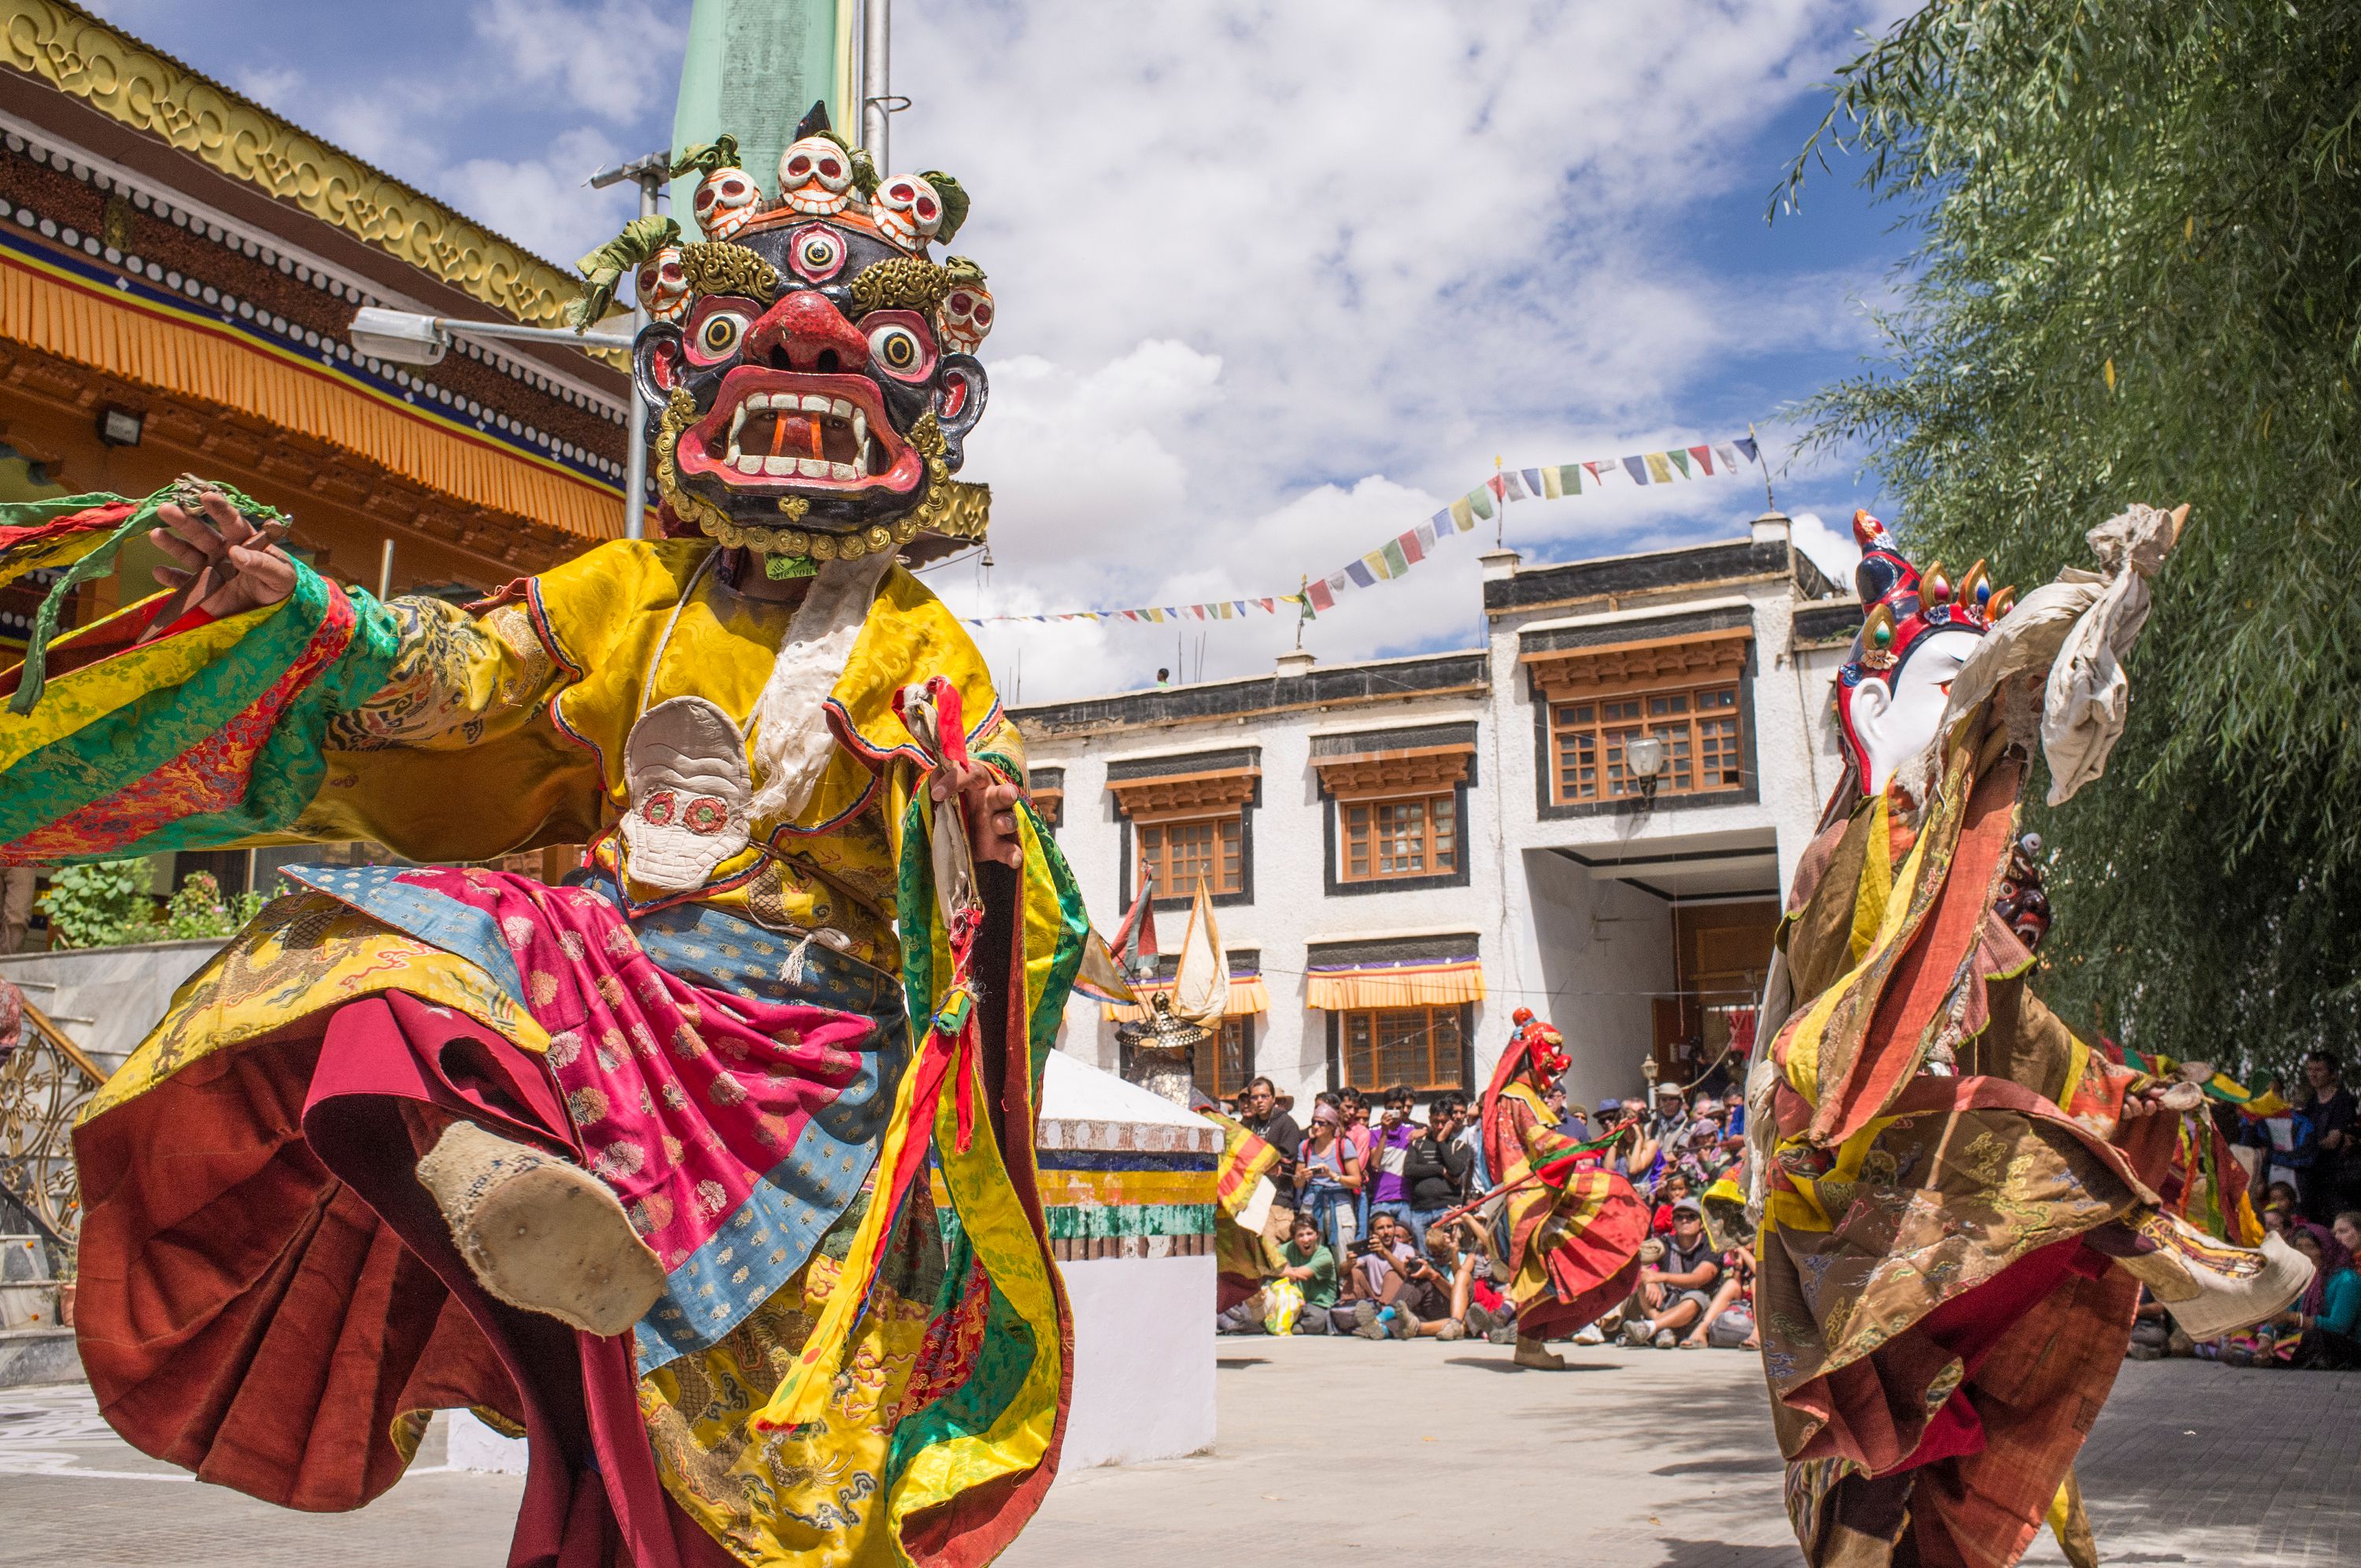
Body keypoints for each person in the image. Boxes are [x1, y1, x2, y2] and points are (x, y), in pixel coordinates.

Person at [1, 115, 1086, 1566]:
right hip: (622, 973)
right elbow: (460, 670)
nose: (812, 368)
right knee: (365, 943)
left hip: (813, 1057)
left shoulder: (916, 637)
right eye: (759, 345)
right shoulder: (628, 586)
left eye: (857, 360)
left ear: (926, 407)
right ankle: (482, 1162)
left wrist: (985, 846)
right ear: (681, 376)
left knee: (747, 1453)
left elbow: (1007, 895)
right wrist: (310, 607)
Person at [1750, 508, 2306, 1568]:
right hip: (1847, 1179)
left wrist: (2121, 1092)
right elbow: (1840, 1026)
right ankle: (2194, 1272)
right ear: (1875, 709)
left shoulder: (1978, 891)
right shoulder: (1844, 859)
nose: (1989, 712)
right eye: (1959, 685)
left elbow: (2026, 1039)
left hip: (1938, 1196)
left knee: (1931, 1442)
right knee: (1875, 1465)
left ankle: (2184, 1261)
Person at [1479, 1010, 1649, 1370]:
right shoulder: (1518, 1096)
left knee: (1553, 1269)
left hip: (1546, 1190)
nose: (1557, 1062)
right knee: (1609, 1193)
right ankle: (1522, 1330)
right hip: (1535, 1197)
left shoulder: (1528, 1095)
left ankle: (1527, 1340)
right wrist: (1582, 1147)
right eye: (1551, 1052)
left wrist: (1588, 1146)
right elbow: (1539, 1140)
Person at [1621, 1198, 1721, 1347]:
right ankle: (1662, 1328)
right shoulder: (1666, 1242)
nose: (1685, 1220)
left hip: (1695, 1311)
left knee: (1695, 1297)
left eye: (1691, 1217)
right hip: (1669, 1300)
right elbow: (1635, 1257)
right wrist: (1649, 1280)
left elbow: (1698, 1279)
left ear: (1701, 1223)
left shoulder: (1711, 1246)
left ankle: (1652, 1328)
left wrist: (1659, 1277)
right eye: (1679, 1217)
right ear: (1673, 1222)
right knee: (1641, 1277)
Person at [2293, 1053, 2356, 1222]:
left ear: (2333, 1073)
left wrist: (2308, 1148)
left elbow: (2334, 1139)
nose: (2313, 1074)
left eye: (2319, 1070)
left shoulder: (2342, 1100)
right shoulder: (2312, 1102)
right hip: (2313, 1174)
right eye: (2310, 1070)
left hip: (2336, 1175)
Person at [1294, 1102, 1363, 1253]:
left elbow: (1356, 1182)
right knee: (1308, 1254)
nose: (1316, 1126)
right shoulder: (1305, 1146)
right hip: (1312, 1202)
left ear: (1332, 1126)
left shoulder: (1344, 1145)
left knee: (1343, 1254)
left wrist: (1332, 1175)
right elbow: (1297, 1183)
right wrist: (1303, 1177)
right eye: (1314, 1122)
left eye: (1321, 1123)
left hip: (1339, 1203)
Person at [1240, 1075, 1304, 1236]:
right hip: (1251, 1199)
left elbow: (1288, 1161)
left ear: (1273, 1099)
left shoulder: (1286, 1123)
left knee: (1274, 1252)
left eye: (1264, 1096)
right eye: (1254, 1097)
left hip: (1278, 1200)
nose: (1259, 1101)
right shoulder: (1247, 1124)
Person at [1402, 1092, 1472, 1241]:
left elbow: (1456, 1170)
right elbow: (1409, 1169)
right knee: (1423, 1256)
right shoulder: (1418, 1143)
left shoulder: (1458, 1145)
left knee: (1447, 1253)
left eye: (1444, 1122)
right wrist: (1440, 1170)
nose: (1439, 1126)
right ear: (1429, 1120)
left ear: (1451, 1122)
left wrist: (1441, 1141)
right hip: (1420, 1210)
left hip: (1447, 1209)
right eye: (1435, 1122)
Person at [1272, 1215, 1341, 1336]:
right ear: (1294, 1238)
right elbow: (1267, 1264)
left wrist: (1285, 1270)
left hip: (1317, 1304)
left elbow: (1300, 1275)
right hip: (1293, 1301)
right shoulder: (1288, 1249)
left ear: (1317, 1235)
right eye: (1300, 1235)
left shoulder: (1325, 1256)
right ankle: (1291, 1321)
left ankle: (1294, 1323)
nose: (1306, 1239)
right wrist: (1284, 1270)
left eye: (1310, 1234)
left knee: (1316, 1321)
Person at [1364, 1083, 1420, 1232]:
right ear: (1384, 1108)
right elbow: (1375, 1163)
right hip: (1381, 1199)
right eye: (1391, 1108)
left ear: (1404, 1109)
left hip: (1404, 1199)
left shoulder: (1411, 1130)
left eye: (1398, 1108)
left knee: (1403, 1241)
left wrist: (1423, 1132)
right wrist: (1384, 1132)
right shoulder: (1374, 1132)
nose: (1395, 1112)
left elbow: (1429, 1130)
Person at [1684, 1239, 1758, 1349]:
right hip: (1743, 1305)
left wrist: (1742, 1250)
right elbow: (1738, 1285)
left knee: (1756, 1282)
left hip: (1767, 1303)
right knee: (1731, 1284)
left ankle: (1758, 1332)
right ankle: (1702, 1330)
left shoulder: (1766, 1249)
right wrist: (1738, 1267)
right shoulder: (1735, 1255)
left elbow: (1761, 1273)